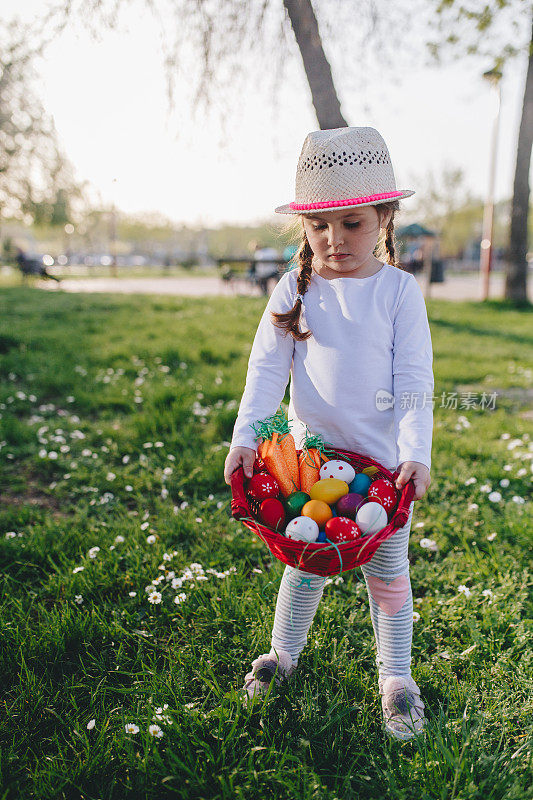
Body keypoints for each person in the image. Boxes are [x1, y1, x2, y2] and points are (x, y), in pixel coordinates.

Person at [223, 127, 433, 741]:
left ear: (384, 218)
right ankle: (282, 656)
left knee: (388, 573)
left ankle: (396, 677)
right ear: (304, 228)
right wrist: (246, 437)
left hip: (382, 472)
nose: (335, 241)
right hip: (310, 466)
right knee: (305, 562)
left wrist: (415, 452)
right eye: (320, 226)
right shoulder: (295, 288)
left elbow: (415, 379)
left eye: (353, 223)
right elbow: (265, 372)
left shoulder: (398, 291)